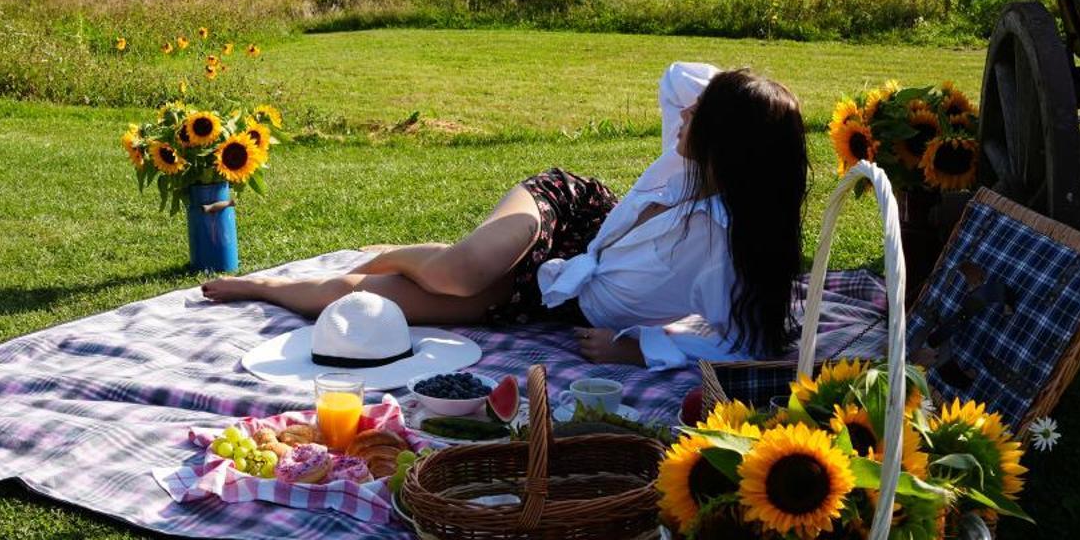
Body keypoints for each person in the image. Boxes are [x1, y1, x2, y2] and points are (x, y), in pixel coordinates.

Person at [200, 64, 810, 368]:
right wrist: (727, 98)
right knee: (461, 272)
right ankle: (414, 253)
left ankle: (270, 287)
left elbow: (745, 342)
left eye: (698, 115)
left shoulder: (732, 246)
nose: (682, 116)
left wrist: (638, 348)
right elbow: (678, 75)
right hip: (573, 214)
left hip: (566, 295)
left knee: (381, 302)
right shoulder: (684, 162)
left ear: (729, 144)